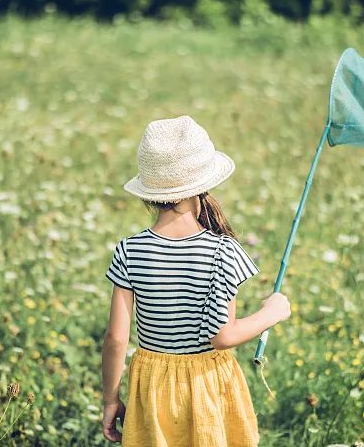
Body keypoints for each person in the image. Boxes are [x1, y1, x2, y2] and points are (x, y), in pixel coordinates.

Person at [100, 115, 291, 446]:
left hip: (153, 387)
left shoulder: (129, 250)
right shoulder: (222, 251)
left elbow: (117, 338)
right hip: (206, 386)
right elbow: (223, 336)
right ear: (203, 184)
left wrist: (110, 400)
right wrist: (272, 313)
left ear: (149, 193)